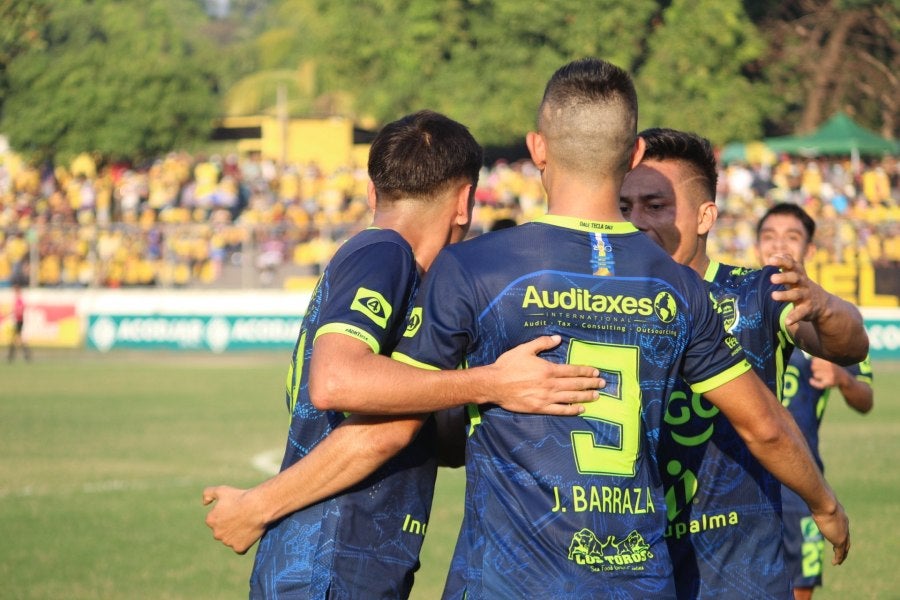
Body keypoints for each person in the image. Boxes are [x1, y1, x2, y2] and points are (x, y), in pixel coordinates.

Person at [391, 58, 849, 598]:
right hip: (635, 579)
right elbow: (764, 426)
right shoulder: (679, 285)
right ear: (633, 155)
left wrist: (482, 385)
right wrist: (824, 504)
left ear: (538, 148)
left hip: (507, 582)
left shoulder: (473, 266)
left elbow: (400, 405)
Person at [203, 110, 602, 599]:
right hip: (328, 560)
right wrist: (490, 382)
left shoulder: (407, 273)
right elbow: (337, 382)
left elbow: (413, 427)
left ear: (374, 193)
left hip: (345, 560)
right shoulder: (384, 252)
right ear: (465, 202)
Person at [619, 128, 867, 598]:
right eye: (625, 208)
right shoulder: (604, 303)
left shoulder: (754, 293)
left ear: (704, 215)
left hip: (739, 572)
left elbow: (851, 345)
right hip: (634, 568)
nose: (637, 222)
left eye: (655, 206)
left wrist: (822, 304)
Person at [755, 202, 874, 600]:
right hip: (743, 480)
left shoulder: (831, 324)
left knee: (799, 591)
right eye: (769, 235)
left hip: (801, 483)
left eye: (791, 237)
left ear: (808, 249)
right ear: (755, 244)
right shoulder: (734, 309)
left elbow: (866, 400)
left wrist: (841, 379)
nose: (778, 245)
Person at [6, 284, 31, 362]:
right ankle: (24, 354)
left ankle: (12, 355)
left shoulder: (20, 300)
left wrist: (15, 312)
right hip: (18, 321)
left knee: (16, 338)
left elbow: (20, 310)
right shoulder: (18, 300)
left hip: (19, 321)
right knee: (17, 338)